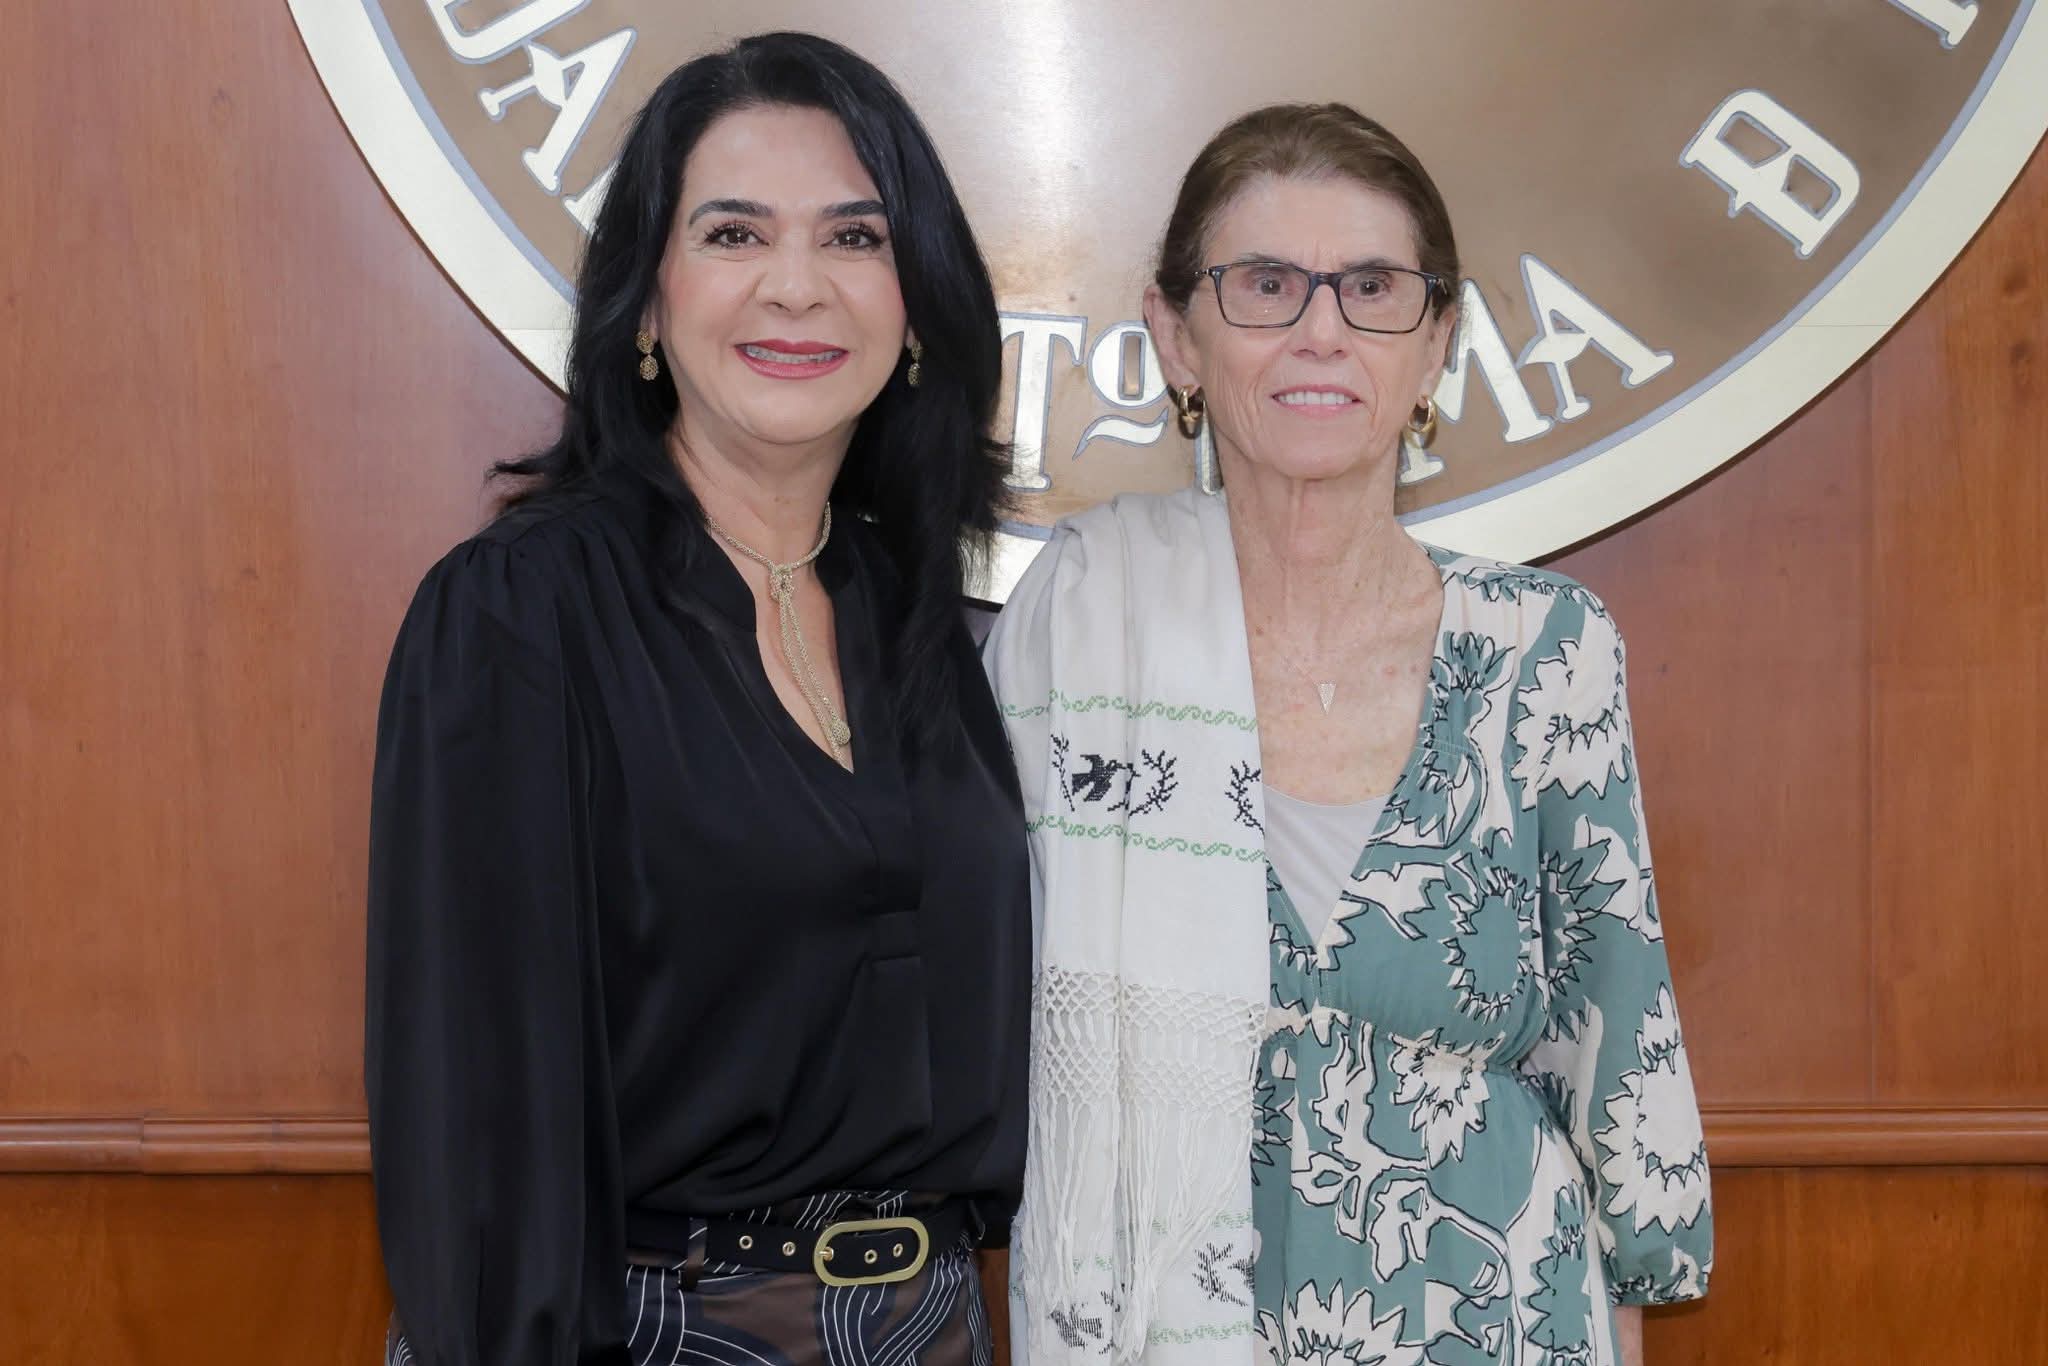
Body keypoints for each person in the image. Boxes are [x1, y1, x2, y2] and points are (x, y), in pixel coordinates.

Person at [986, 103, 1712, 1366]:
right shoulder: (1085, 625)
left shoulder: (1544, 647)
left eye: (1371, 288)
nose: (1319, 329)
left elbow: (1617, 1053)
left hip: (1500, 1321)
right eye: (1265, 284)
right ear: (1177, 336)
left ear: (1435, 344)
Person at [366, 32, 1028, 1366]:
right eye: (733, 233)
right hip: (652, 1328)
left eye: (853, 238)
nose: (797, 285)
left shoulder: (914, 614)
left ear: (914, 310)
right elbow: (478, 1114)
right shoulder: (519, 613)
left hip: (932, 1323)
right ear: (647, 304)